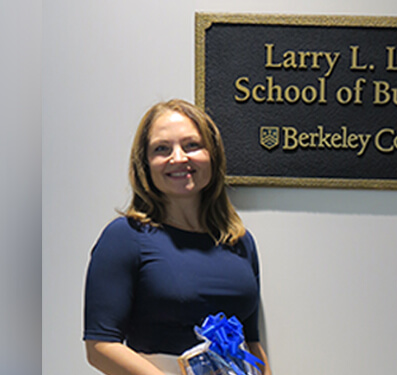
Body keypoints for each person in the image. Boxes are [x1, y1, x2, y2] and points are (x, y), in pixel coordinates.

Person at [83, 99, 271, 375]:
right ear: (145, 164)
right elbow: (100, 346)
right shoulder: (125, 237)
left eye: (192, 145)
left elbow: (251, 342)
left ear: (213, 154)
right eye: (162, 149)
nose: (179, 158)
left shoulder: (241, 242)